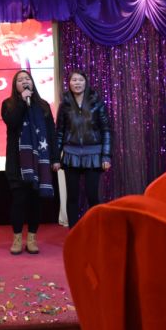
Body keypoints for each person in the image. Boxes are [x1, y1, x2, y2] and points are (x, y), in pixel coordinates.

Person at [1, 69, 58, 254]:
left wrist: (55, 158)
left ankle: (32, 238)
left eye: (27, 79)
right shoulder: (8, 104)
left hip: (39, 161)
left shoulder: (43, 105)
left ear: (32, 83)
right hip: (17, 162)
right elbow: (12, 122)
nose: (24, 81)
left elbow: (51, 133)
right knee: (18, 201)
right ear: (15, 86)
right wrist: (22, 102)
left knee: (35, 202)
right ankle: (17, 239)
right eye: (20, 80)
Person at [53, 69, 111, 229]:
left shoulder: (96, 102)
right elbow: (59, 132)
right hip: (70, 155)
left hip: (93, 155)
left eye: (80, 80)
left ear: (86, 82)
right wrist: (56, 158)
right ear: (69, 83)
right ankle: (73, 232)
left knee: (92, 195)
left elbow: (106, 130)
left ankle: (95, 229)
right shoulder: (64, 104)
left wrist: (106, 156)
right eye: (74, 80)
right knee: (72, 197)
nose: (77, 83)